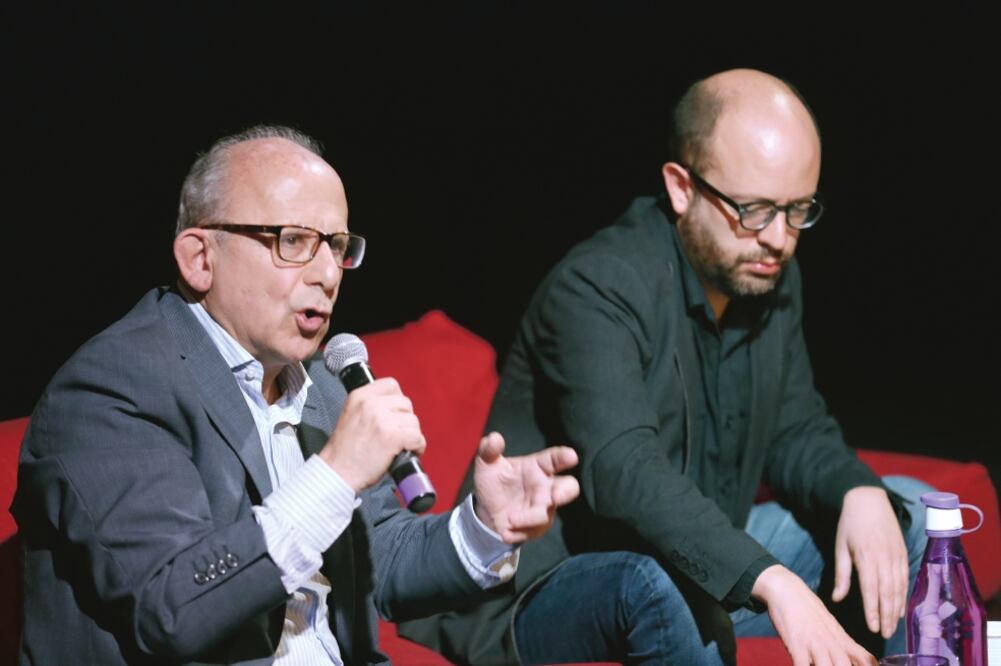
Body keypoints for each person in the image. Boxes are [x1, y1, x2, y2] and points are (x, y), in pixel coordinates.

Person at [400, 69, 931, 665]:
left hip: (694, 559)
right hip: (554, 589)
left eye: (798, 209)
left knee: (907, 512)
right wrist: (770, 579)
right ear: (682, 188)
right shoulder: (598, 286)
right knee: (665, 586)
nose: (779, 238)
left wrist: (857, 490)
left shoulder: (768, 279)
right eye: (754, 210)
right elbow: (625, 471)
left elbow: (795, 430)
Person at [11, 125, 580, 665]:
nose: (328, 273)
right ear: (199, 258)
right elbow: (171, 604)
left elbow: (383, 555)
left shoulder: (323, 388)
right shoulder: (110, 388)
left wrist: (484, 524)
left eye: (336, 245)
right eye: (294, 241)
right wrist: (334, 474)